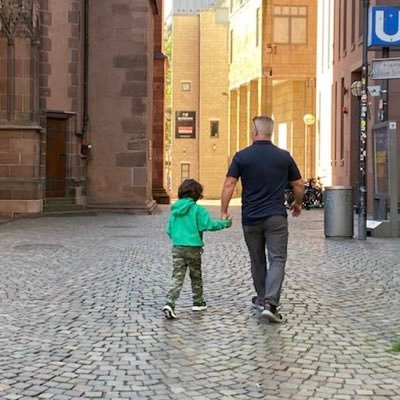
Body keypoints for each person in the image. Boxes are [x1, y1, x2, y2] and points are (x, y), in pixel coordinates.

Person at [220, 116, 304, 323]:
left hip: (251, 217)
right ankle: (270, 303)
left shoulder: (242, 156)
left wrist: (224, 210)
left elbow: (230, 184)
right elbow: (299, 184)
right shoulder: (284, 157)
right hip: (276, 216)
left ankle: (261, 298)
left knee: (257, 259)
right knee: (277, 259)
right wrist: (298, 203)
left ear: (256, 131)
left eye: (251, 129)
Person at [163, 179, 232, 319]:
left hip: (177, 247)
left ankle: (170, 302)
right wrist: (225, 223)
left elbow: (169, 230)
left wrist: (179, 238)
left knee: (177, 276)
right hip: (193, 248)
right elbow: (208, 225)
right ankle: (198, 302)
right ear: (197, 194)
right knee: (196, 275)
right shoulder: (197, 210)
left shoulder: (174, 211)